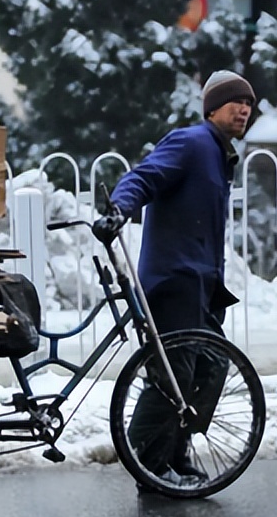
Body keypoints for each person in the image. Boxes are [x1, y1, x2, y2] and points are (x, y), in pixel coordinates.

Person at [93, 70, 254, 492]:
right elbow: (144, 177)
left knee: (212, 366)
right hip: (173, 281)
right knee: (173, 377)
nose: (244, 110)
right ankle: (148, 464)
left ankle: (174, 451)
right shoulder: (192, 142)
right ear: (213, 108)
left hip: (201, 284)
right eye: (236, 102)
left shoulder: (218, 154)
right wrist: (118, 210)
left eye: (249, 104)